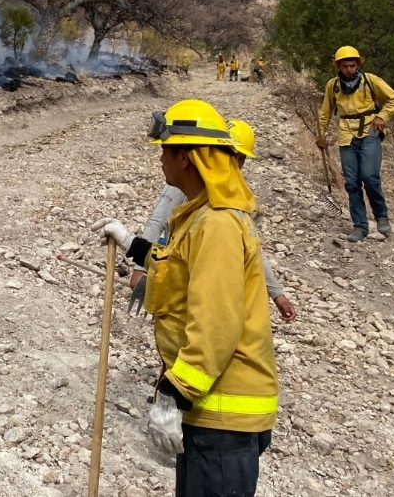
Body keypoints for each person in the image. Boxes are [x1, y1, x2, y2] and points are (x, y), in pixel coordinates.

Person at [94, 99, 278, 496]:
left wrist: (173, 394)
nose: (160, 158)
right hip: (209, 415)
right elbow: (177, 273)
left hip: (222, 419)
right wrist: (132, 244)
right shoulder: (200, 216)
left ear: (186, 158)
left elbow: (216, 326)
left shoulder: (217, 225)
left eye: (166, 149)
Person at [129, 119, 296, 322]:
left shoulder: (234, 195)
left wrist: (277, 294)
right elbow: (157, 223)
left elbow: (251, 247)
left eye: (241, 159)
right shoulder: (186, 181)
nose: (236, 165)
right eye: (232, 156)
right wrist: (140, 269)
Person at [316, 46, 394, 242]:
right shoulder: (333, 85)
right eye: (345, 66)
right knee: (352, 183)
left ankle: (381, 216)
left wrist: (382, 116)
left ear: (358, 64)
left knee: (370, 176)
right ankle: (359, 226)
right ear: (338, 66)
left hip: (370, 131)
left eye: (352, 65)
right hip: (346, 135)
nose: (349, 69)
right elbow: (325, 112)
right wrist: (320, 135)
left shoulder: (370, 80)